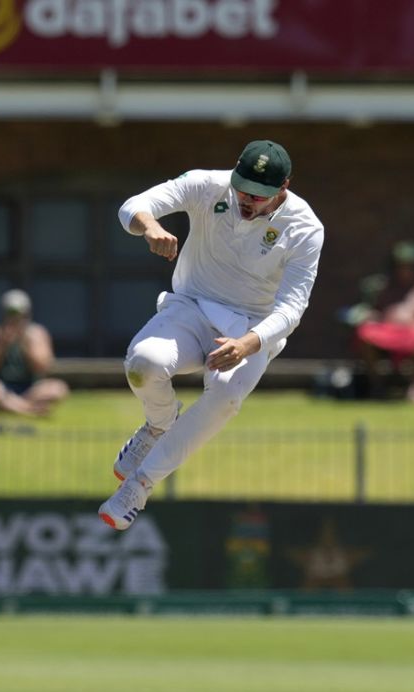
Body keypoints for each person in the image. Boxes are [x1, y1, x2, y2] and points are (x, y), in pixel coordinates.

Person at [98, 139, 325, 530]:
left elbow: (292, 309)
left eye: (258, 196)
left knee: (224, 398)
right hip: (193, 305)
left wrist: (247, 345)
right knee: (144, 364)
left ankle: (139, 485)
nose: (246, 201)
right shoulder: (209, 185)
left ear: (283, 188)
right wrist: (150, 228)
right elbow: (132, 206)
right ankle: (159, 423)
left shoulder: (305, 228)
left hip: (252, 328)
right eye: (242, 190)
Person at [353, 241, 414, 402]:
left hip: (413, 331)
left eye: (410, 266)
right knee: (365, 334)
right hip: (386, 330)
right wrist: (369, 316)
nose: (405, 270)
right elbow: (372, 309)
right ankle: (377, 384)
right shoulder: (383, 286)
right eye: (401, 266)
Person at [0, 288, 69, 416]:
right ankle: (28, 410)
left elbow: (43, 368)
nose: (14, 318)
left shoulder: (37, 334)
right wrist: (3, 345)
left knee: (58, 388)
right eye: (10, 313)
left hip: (30, 389)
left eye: (18, 314)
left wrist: (25, 344)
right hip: (1, 388)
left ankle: (9, 407)